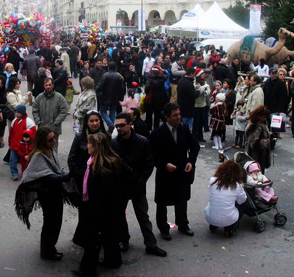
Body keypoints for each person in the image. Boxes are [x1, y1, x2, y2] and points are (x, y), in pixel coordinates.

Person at [111, 113, 166, 257]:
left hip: (137, 185)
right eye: (117, 126)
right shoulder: (115, 143)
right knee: (119, 215)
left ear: (130, 124)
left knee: (143, 216)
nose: (119, 128)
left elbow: (149, 163)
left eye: (122, 125)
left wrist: (141, 181)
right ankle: (124, 240)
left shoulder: (142, 142)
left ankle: (150, 244)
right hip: (121, 186)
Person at [72, 132, 125, 277]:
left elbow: (103, 193)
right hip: (108, 209)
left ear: (96, 147)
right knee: (109, 235)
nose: (87, 146)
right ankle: (113, 260)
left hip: (99, 210)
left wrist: (92, 209)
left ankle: (87, 270)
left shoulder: (101, 168)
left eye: (89, 143)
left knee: (92, 241)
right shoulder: (98, 161)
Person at [15, 127, 71, 260]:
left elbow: (55, 169)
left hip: (54, 192)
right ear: (42, 141)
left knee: (54, 222)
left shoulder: (49, 150)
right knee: (51, 223)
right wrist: (64, 177)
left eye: (54, 138)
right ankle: (47, 251)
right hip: (47, 194)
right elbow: (45, 177)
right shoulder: (39, 155)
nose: (54, 141)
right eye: (50, 140)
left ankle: (49, 248)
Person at [150, 103, 200, 240]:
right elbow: (152, 155)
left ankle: (183, 224)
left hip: (182, 172)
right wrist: (164, 164)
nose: (178, 117)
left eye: (179, 114)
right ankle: (164, 229)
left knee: (182, 199)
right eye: (175, 115)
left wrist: (191, 161)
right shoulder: (157, 134)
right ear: (167, 118)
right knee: (162, 203)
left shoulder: (183, 128)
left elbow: (194, 145)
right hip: (165, 174)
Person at [204, 160, 247, 238]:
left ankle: (213, 225)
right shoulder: (237, 185)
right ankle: (229, 228)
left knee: (214, 202)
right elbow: (242, 201)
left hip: (210, 217)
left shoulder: (212, 180)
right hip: (229, 219)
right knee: (242, 207)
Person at [8, 104, 36, 181]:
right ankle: (14, 173)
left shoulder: (29, 122)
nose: (16, 114)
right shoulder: (14, 121)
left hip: (25, 146)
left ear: (23, 112)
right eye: (16, 112)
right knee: (12, 160)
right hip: (14, 145)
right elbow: (11, 134)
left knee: (25, 161)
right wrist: (10, 143)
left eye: (18, 112)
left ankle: (27, 173)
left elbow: (33, 135)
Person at [96, 61, 126, 131]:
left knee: (103, 111)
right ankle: (112, 126)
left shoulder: (105, 75)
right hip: (115, 97)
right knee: (112, 112)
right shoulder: (119, 76)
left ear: (108, 67)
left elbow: (100, 86)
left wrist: (98, 92)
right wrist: (121, 97)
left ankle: (110, 125)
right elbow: (122, 88)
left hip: (105, 97)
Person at [245, 106, 272, 172]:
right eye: (264, 117)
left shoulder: (262, 124)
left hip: (261, 156)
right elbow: (253, 143)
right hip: (256, 156)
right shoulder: (255, 126)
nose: (265, 119)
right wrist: (267, 142)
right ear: (259, 116)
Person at [176, 67, 200, 132]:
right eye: (194, 74)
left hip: (181, 105)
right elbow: (193, 95)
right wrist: (198, 91)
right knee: (187, 127)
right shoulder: (188, 83)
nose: (195, 76)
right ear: (191, 73)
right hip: (188, 107)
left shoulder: (181, 81)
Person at [210, 93, 227, 158]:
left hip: (216, 121)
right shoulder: (223, 105)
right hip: (221, 121)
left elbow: (211, 111)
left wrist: (212, 105)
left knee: (214, 133)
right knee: (219, 134)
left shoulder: (217, 106)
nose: (215, 99)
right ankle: (220, 145)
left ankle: (216, 145)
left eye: (216, 98)